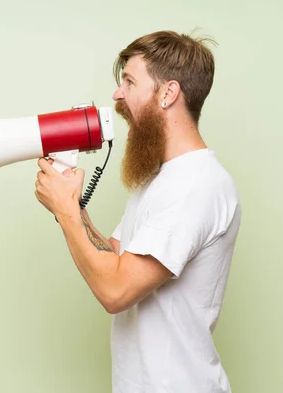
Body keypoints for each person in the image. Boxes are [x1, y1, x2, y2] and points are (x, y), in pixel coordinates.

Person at [34, 30, 241, 393]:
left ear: (168, 93)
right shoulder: (163, 179)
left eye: (129, 81)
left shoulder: (196, 185)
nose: (117, 93)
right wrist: (70, 204)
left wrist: (66, 210)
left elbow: (115, 290)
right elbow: (115, 255)